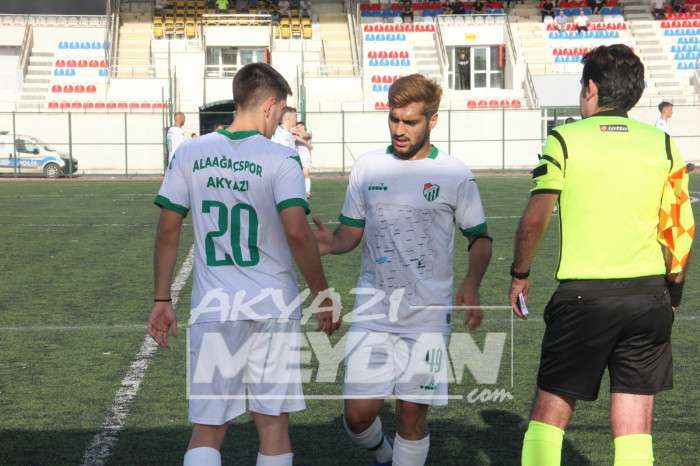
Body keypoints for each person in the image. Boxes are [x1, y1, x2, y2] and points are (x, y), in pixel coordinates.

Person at [511, 44, 694, 466]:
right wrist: (674, 293)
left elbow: (535, 218)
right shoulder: (663, 145)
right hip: (648, 297)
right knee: (635, 425)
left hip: (584, 298)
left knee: (549, 416)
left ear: (590, 88)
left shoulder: (564, 139)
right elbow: (680, 229)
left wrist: (520, 274)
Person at [148, 63, 339, 466]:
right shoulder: (281, 157)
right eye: (281, 111)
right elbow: (297, 231)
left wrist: (162, 299)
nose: (279, 121)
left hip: (215, 304)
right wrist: (322, 293)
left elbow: (168, 230)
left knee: (209, 426)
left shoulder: (190, 152)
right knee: (272, 424)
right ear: (269, 105)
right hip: (273, 305)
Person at [313, 74, 492, 466]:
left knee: (410, 415)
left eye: (410, 121)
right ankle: (383, 455)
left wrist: (471, 281)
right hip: (374, 313)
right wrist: (329, 243)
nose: (399, 129)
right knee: (357, 417)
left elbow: (480, 238)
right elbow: (350, 234)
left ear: (432, 120)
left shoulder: (454, 174)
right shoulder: (368, 167)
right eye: (394, 119)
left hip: (428, 317)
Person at [293, 121, 313, 197]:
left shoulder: (308, 132)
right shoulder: (295, 134)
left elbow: (307, 136)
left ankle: (307, 192)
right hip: (297, 156)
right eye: (297, 127)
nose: (297, 128)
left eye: (299, 127)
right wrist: (307, 144)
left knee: (305, 174)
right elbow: (295, 137)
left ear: (303, 127)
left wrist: (296, 133)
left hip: (305, 157)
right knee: (297, 175)